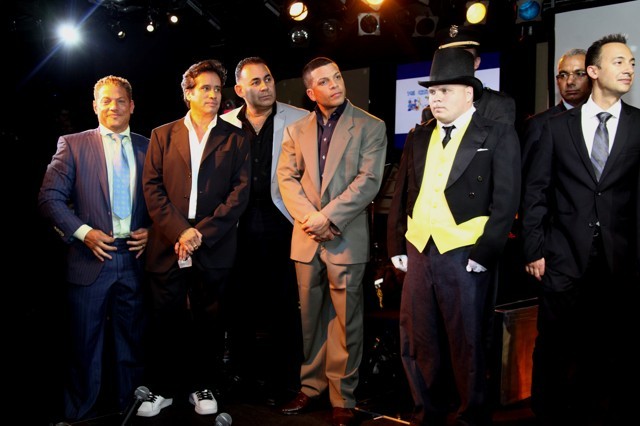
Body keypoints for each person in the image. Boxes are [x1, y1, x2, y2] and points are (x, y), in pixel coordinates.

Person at [387, 48, 521, 426]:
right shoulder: (419, 134)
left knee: (468, 342)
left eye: (445, 91)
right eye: (432, 92)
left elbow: (507, 199)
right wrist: (397, 245)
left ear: (468, 93)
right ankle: (426, 413)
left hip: (464, 251)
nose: (436, 98)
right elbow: (403, 193)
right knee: (417, 339)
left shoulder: (496, 133)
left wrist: (486, 251)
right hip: (419, 249)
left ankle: (470, 418)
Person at [521, 34, 639, 426]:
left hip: (620, 261)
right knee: (554, 347)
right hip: (562, 257)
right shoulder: (556, 127)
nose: (629, 70)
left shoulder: (639, 124)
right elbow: (536, 192)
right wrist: (534, 249)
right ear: (594, 71)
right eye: (619, 62)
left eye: (632, 63)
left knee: (611, 350)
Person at [276, 57, 387, 426]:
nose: (335, 84)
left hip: (346, 235)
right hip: (307, 236)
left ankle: (343, 396)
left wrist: (329, 218)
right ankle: (311, 387)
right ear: (311, 92)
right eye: (324, 81)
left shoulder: (371, 126)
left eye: (337, 77)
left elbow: (368, 181)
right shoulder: (296, 131)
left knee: (346, 320)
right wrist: (312, 219)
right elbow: (286, 180)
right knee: (309, 318)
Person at [139, 59, 251, 418]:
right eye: (205, 88)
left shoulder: (236, 137)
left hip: (214, 242)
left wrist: (200, 234)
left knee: (210, 320)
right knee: (165, 319)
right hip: (168, 240)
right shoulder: (162, 134)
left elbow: (240, 194)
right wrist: (180, 231)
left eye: (218, 89)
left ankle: (203, 385)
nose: (214, 95)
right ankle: (163, 389)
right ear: (188, 93)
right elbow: (152, 188)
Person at [38, 75, 150, 422]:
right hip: (90, 258)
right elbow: (49, 197)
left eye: (121, 100)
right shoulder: (73, 144)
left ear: (132, 106)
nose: (114, 106)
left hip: (135, 259)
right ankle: (79, 413)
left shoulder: (150, 146)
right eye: (106, 100)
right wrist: (84, 234)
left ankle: (131, 407)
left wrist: (154, 232)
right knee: (84, 344)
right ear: (95, 106)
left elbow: (164, 200)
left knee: (132, 342)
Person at [220, 57, 308, 403]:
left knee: (282, 305)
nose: (265, 86)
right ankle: (242, 377)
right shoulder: (223, 123)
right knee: (238, 305)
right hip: (236, 224)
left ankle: (283, 381)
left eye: (268, 78)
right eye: (255, 82)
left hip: (282, 221)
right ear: (240, 89)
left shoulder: (300, 118)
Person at [421, 24, 516, 125]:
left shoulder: (498, 105)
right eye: (449, 57)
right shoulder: (430, 112)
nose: (455, 61)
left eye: (464, 57)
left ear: (476, 62)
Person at [521, 48, 591, 171]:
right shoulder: (539, 124)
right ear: (557, 81)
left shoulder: (603, 119)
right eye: (563, 75)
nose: (570, 81)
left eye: (579, 74)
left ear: (593, 77)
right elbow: (530, 176)